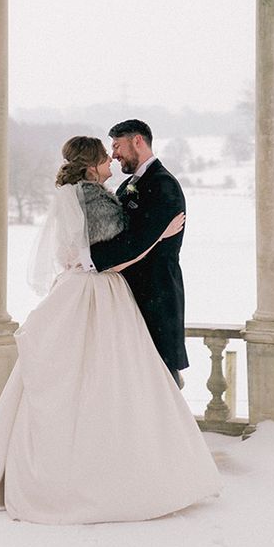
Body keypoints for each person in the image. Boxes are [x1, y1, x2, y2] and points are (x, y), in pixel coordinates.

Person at [0, 136, 220, 524]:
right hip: (97, 290)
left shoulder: (79, 194)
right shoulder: (94, 198)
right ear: (92, 165)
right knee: (110, 377)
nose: (112, 158)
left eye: (115, 150)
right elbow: (112, 256)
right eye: (105, 155)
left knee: (85, 378)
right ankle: (111, 473)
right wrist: (162, 233)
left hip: (82, 288)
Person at [89, 120, 188, 386]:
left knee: (159, 381)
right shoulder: (128, 186)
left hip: (155, 295)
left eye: (117, 145)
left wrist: (91, 261)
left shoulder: (163, 184)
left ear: (137, 141)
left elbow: (134, 243)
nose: (114, 154)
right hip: (130, 295)